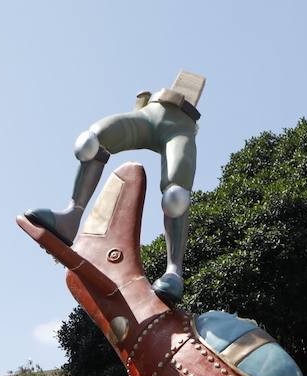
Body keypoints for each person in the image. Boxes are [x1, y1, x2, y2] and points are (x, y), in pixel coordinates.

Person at [24, 71, 205, 305]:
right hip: (152, 111)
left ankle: (174, 271)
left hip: (180, 129)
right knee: (89, 142)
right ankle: (70, 217)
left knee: (176, 196)